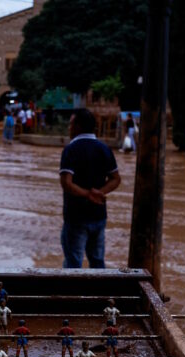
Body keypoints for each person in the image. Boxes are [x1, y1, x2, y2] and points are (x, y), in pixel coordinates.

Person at [59, 108, 121, 269]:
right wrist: (99, 193)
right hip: (99, 215)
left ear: (78, 126)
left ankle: (72, 294)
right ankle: (100, 293)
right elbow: (116, 179)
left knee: (73, 263)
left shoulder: (71, 150)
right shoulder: (104, 149)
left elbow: (66, 182)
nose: (69, 128)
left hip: (76, 217)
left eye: (71, 124)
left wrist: (87, 194)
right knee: (98, 262)